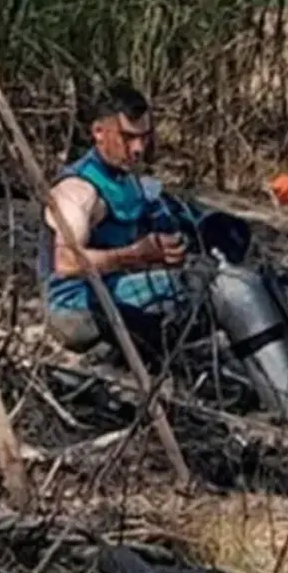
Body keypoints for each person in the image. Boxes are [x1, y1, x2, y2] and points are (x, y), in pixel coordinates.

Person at [38, 81, 205, 366]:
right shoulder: (77, 190)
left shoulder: (129, 179)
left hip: (120, 289)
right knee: (205, 288)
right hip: (77, 309)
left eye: (144, 137)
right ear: (99, 133)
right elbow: (67, 263)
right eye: (128, 138)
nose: (138, 148)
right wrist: (136, 256)